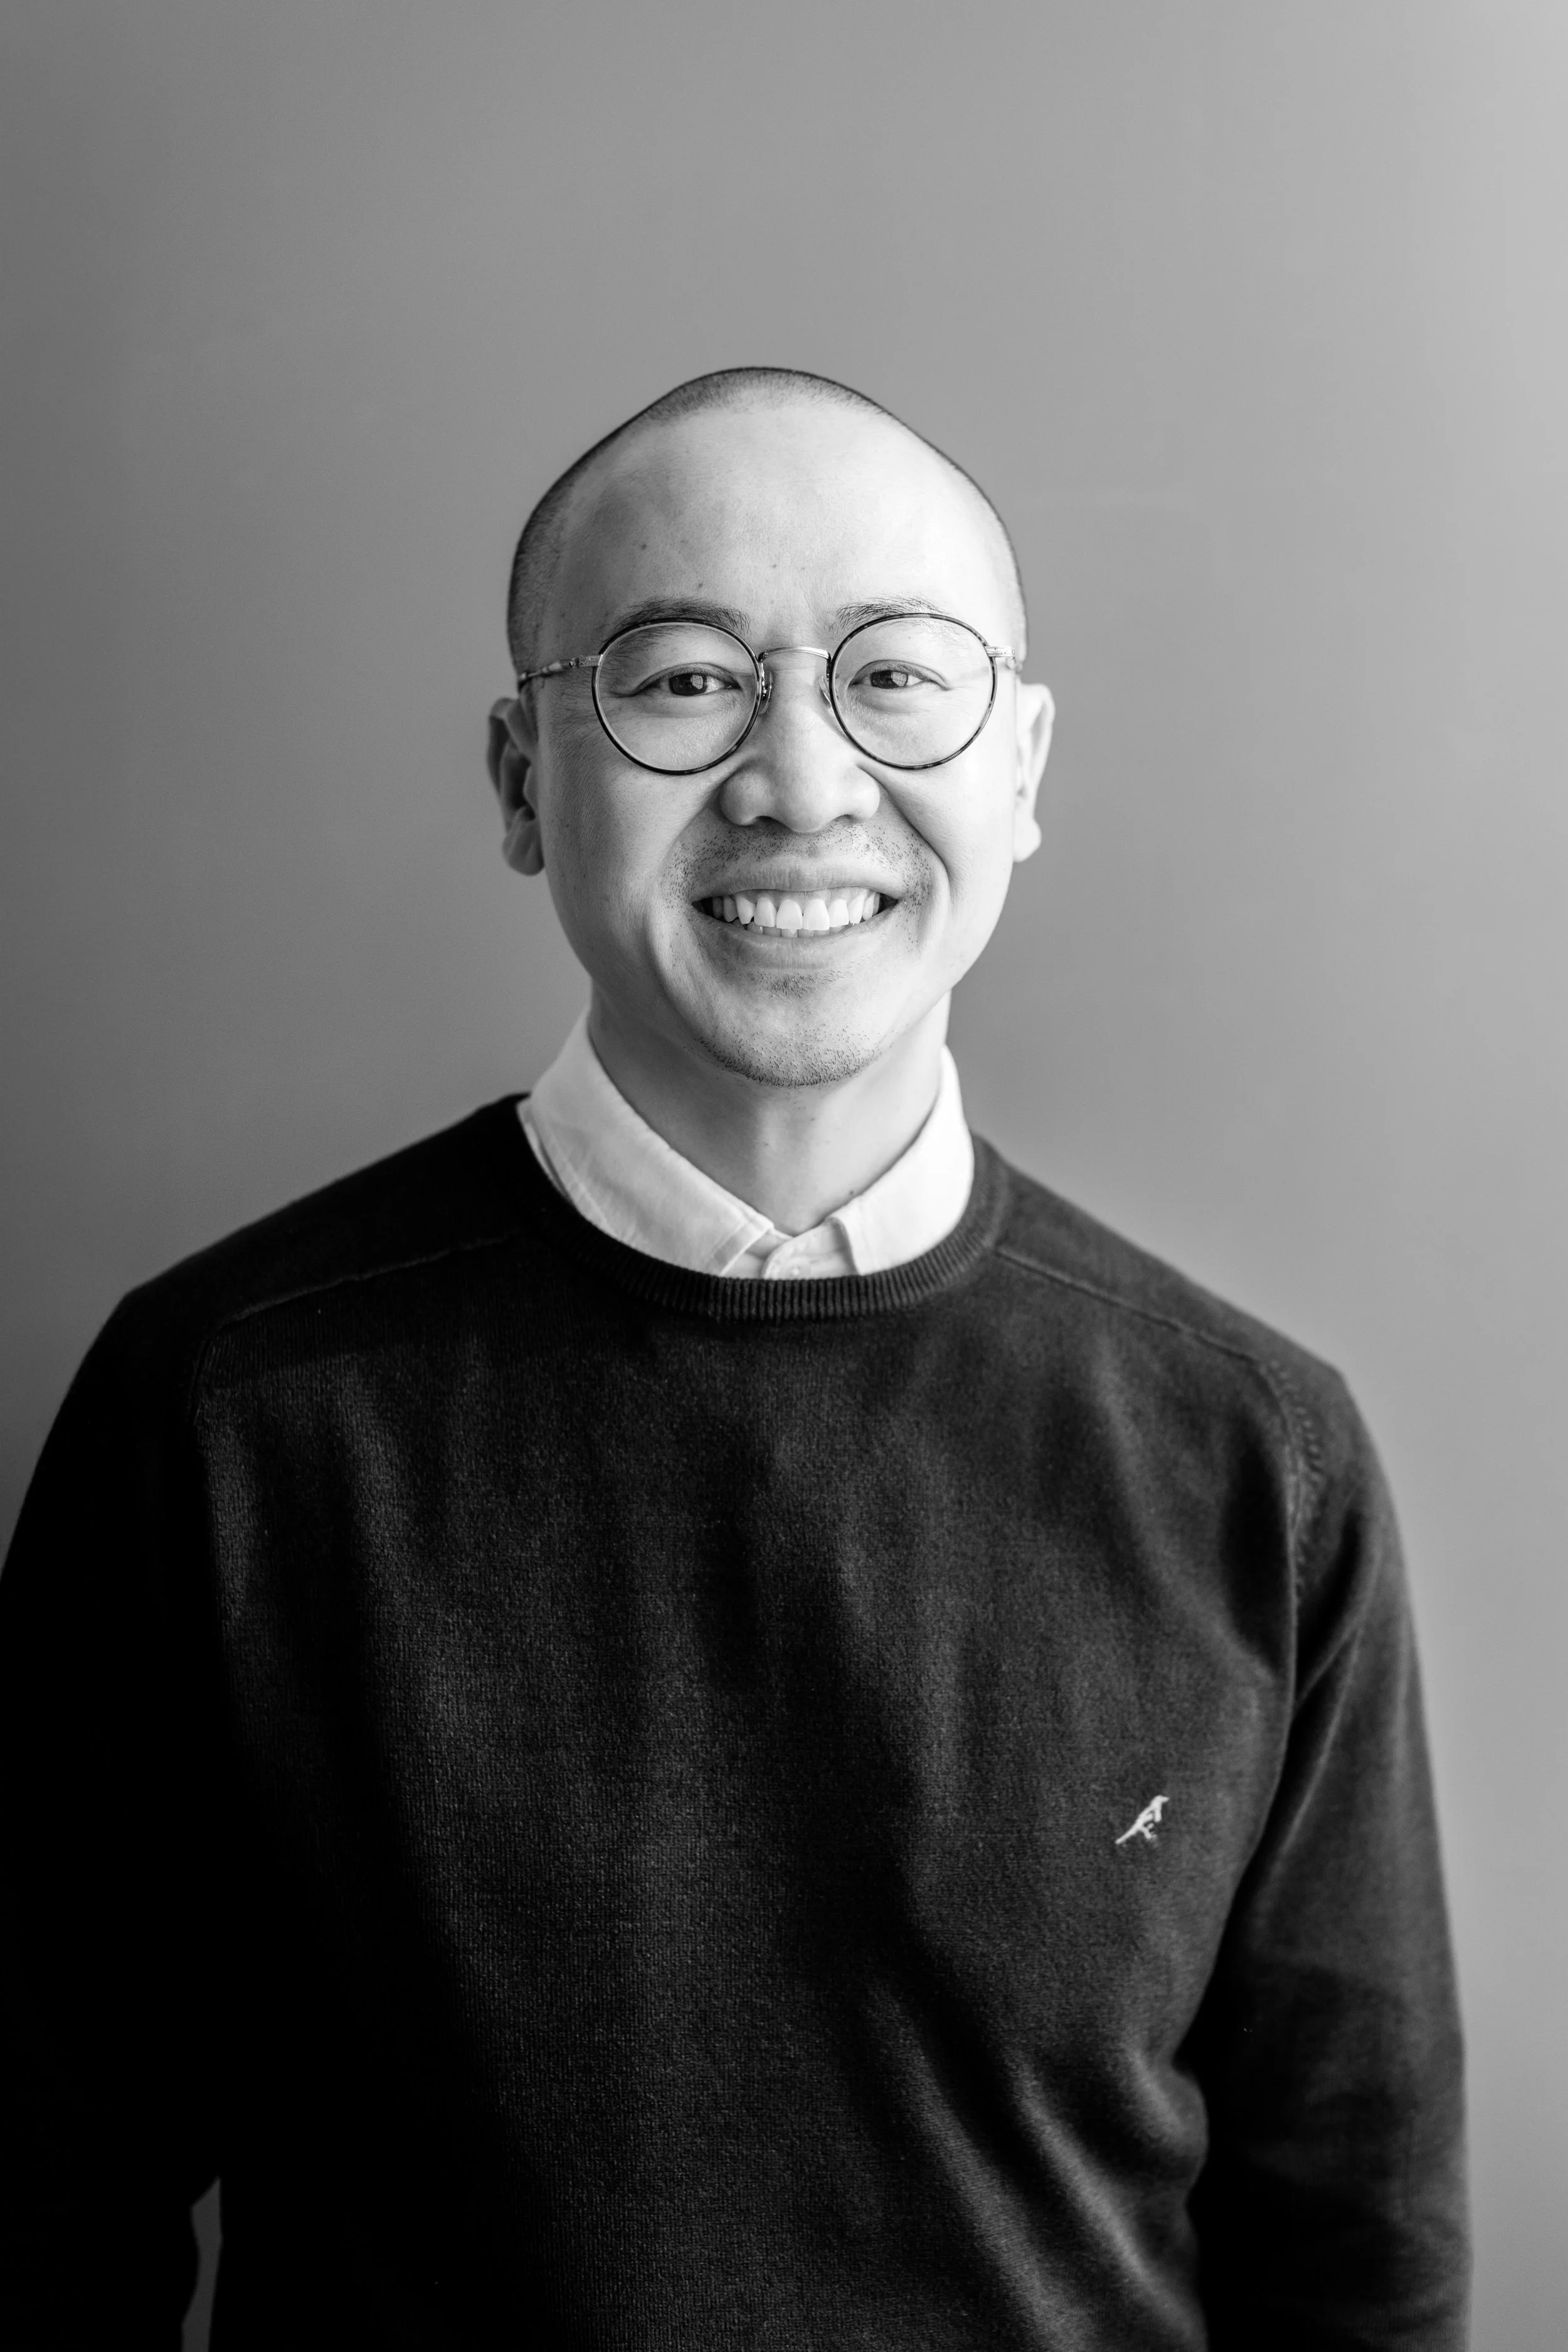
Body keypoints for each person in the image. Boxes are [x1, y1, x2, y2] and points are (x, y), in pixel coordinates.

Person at [0, 367, 1468, 2348]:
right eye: (684, 680)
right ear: (525, 779)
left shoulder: (1252, 1456)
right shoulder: (226, 1408)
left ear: (1019, 767)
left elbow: (1356, 2262)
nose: (798, 778)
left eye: (895, 677)